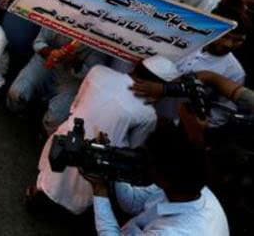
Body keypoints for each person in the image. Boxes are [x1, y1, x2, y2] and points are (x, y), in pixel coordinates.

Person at [31, 56, 175, 215]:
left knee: (50, 181)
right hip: (97, 163)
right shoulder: (148, 115)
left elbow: (75, 106)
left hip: (67, 141)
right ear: (157, 87)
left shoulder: (99, 71)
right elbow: (133, 149)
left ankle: (41, 194)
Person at [88, 124, 228, 235]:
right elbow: (132, 202)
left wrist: (100, 190)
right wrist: (112, 162)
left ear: (162, 178)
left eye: (147, 162)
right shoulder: (188, 184)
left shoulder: (174, 231)